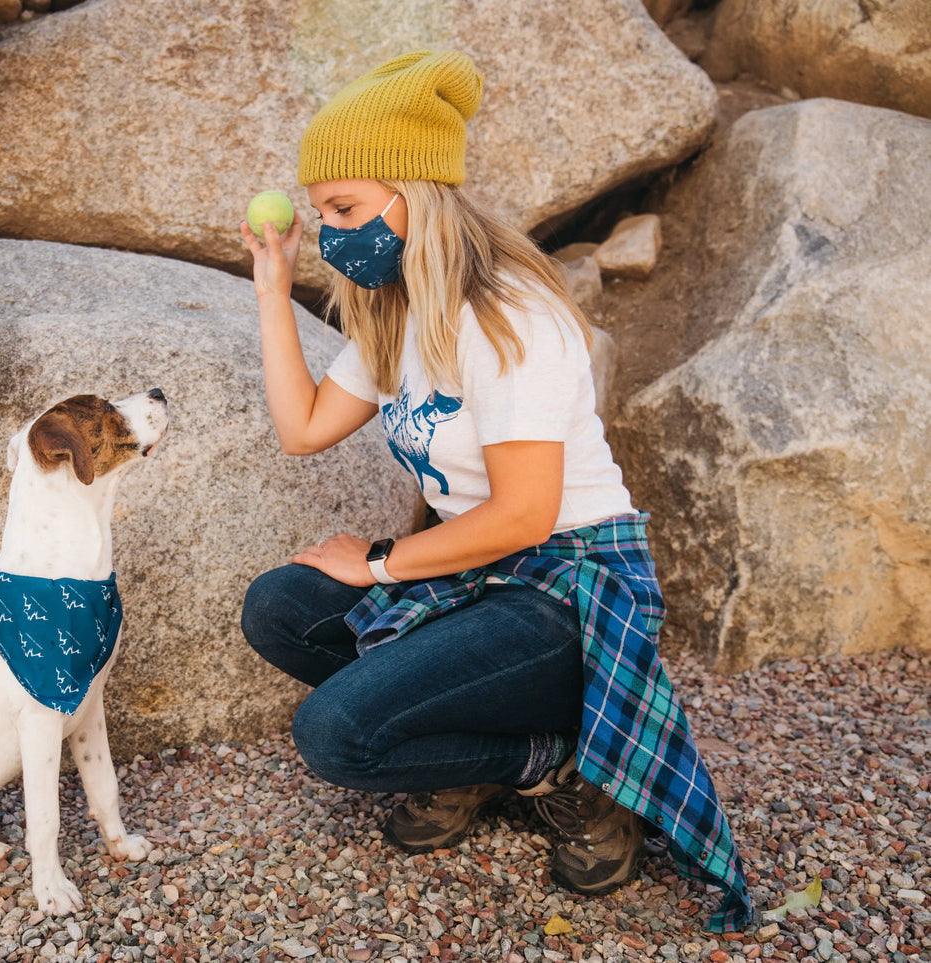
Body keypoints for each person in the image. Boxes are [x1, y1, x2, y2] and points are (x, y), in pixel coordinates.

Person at [238, 51, 753, 932]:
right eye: (321, 211)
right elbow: (304, 428)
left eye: (346, 208)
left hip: (572, 583)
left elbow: (524, 514)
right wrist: (272, 285)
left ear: (418, 195)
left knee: (338, 735)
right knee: (280, 605)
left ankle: (567, 766)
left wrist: (373, 561)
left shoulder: (508, 315)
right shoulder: (397, 306)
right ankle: (479, 755)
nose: (329, 229)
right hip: (481, 569)